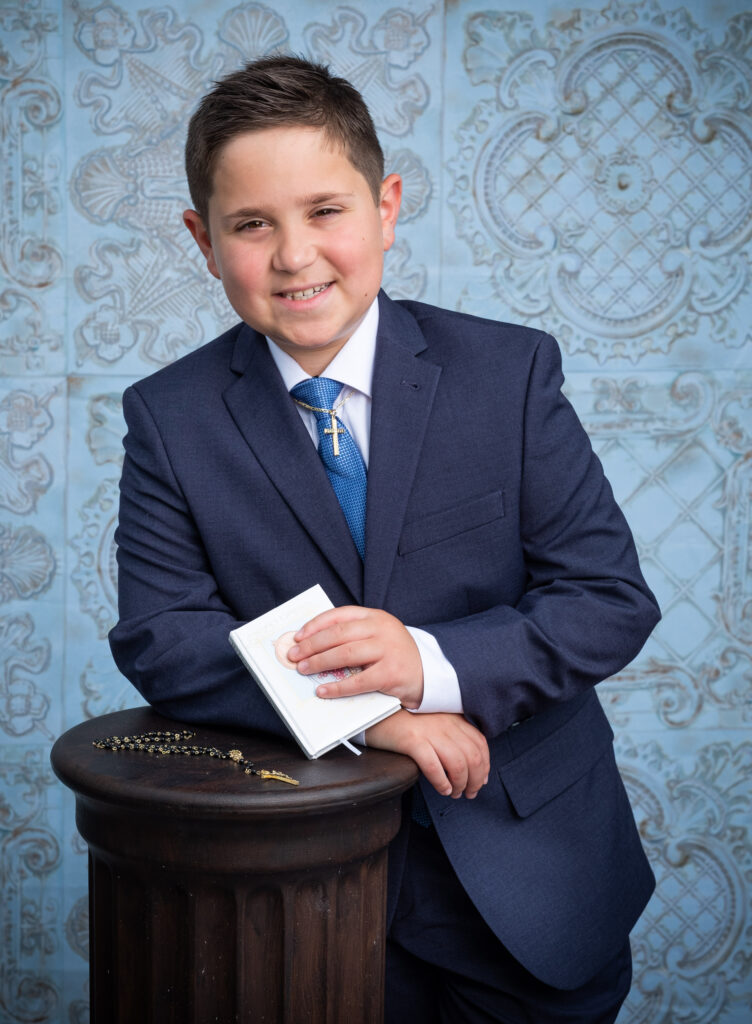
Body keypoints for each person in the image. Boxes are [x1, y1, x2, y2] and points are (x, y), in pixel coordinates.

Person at [109, 55, 661, 1023]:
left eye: (325, 210)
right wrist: (370, 714)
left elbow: (606, 600)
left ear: (386, 207)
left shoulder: (507, 374)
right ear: (203, 241)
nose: (294, 256)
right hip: (301, 889)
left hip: (533, 877)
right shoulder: (169, 417)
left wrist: (428, 665)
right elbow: (164, 637)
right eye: (251, 225)